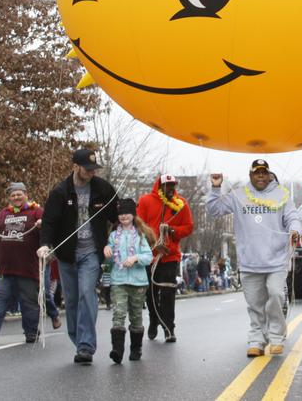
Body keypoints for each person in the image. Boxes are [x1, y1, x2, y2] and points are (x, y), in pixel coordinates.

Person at [207, 159, 300, 357]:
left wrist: (294, 230)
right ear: (250, 176)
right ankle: (257, 339)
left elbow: (292, 217)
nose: (260, 176)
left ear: (268, 175)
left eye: (263, 173)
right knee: (255, 304)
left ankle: (276, 337)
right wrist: (216, 188)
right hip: (250, 261)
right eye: (256, 173)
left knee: (276, 295)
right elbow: (215, 210)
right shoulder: (239, 195)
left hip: (276, 260)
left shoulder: (282, 194)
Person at [38, 148, 119, 365]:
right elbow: (49, 222)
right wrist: (45, 245)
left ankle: (86, 346)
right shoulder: (60, 192)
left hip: (92, 252)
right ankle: (77, 338)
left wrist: (121, 234)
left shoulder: (103, 189)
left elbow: (118, 215)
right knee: (72, 300)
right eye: (87, 168)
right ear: (75, 167)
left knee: (86, 293)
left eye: (94, 169)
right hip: (67, 254)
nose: (92, 172)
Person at [0, 182, 44, 345]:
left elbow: (47, 231)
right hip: (3, 268)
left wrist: (41, 226)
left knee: (28, 301)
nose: (16, 197)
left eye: (19, 194)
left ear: (26, 195)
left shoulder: (36, 211)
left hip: (27, 267)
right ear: (9, 198)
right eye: (13, 195)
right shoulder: (3, 214)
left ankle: (31, 332)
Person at [137, 173, 194, 342]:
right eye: (167, 185)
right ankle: (154, 320)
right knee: (151, 293)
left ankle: (169, 328)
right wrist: (153, 244)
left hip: (170, 256)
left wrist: (173, 231)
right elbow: (139, 225)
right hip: (149, 255)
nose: (170, 189)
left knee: (168, 293)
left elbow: (189, 227)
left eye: (173, 185)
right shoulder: (146, 200)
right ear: (159, 187)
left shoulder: (181, 204)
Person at [105, 199, 154, 364]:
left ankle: (136, 349)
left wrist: (135, 258)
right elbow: (109, 263)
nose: (124, 216)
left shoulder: (140, 235)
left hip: (138, 283)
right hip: (118, 280)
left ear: (133, 215)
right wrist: (107, 253)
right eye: (121, 214)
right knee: (118, 313)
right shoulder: (113, 236)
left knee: (136, 316)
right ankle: (117, 350)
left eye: (127, 213)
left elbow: (149, 257)